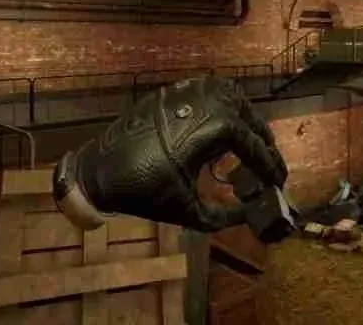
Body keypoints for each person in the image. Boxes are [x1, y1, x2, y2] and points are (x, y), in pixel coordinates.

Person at [53, 75, 290, 233]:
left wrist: (249, 213)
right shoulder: (105, 144)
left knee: (240, 135)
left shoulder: (139, 195)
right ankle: (268, 163)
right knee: (247, 131)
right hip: (211, 91)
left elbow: (207, 220)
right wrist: (268, 151)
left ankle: (269, 170)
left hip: (214, 120)